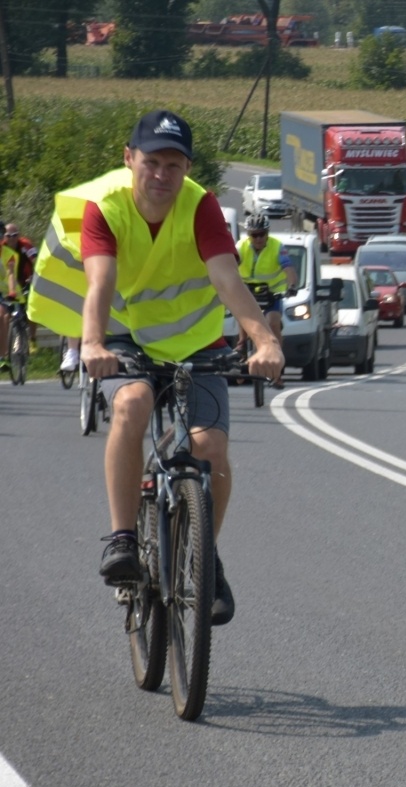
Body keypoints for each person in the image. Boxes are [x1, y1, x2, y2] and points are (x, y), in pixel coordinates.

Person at [28, 109, 284, 625]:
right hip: (125, 334)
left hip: (194, 339)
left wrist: (263, 340)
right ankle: (123, 540)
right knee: (133, 402)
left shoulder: (201, 207)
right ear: (129, 159)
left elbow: (228, 281)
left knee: (211, 447)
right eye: (152, 162)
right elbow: (99, 283)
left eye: (174, 164)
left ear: (186, 168)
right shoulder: (107, 207)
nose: (162, 175)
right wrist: (94, 343)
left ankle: (203, 557)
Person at [237, 212, 298, 343]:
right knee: (244, 317)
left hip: (272, 293)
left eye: (262, 234)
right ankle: (241, 346)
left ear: (267, 233)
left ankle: (278, 358)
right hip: (248, 291)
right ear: (248, 235)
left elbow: (289, 269)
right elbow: (230, 265)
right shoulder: (241, 246)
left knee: (272, 322)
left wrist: (292, 286)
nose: (258, 238)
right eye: (254, 235)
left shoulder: (277, 246)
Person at [0, 222, 38, 357]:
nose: (12, 238)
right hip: (9, 284)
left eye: (15, 235)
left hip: (25, 280)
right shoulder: (2, 247)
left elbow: (36, 261)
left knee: (31, 309)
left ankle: (32, 339)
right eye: (8, 235)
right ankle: (13, 341)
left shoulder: (25, 245)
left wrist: (35, 277)